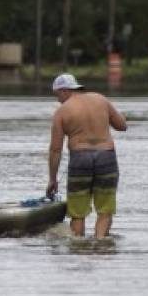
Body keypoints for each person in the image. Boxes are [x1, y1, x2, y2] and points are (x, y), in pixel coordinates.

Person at [45, 73, 127, 239]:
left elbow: (55, 150)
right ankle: (100, 243)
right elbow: (122, 126)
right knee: (105, 210)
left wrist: (52, 179)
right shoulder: (101, 100)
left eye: (58, 95)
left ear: (65, 91)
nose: (58, 100)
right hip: (106, 157)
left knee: (78, 213)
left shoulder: (62, 112)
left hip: (80, 159)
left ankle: (79, 249)